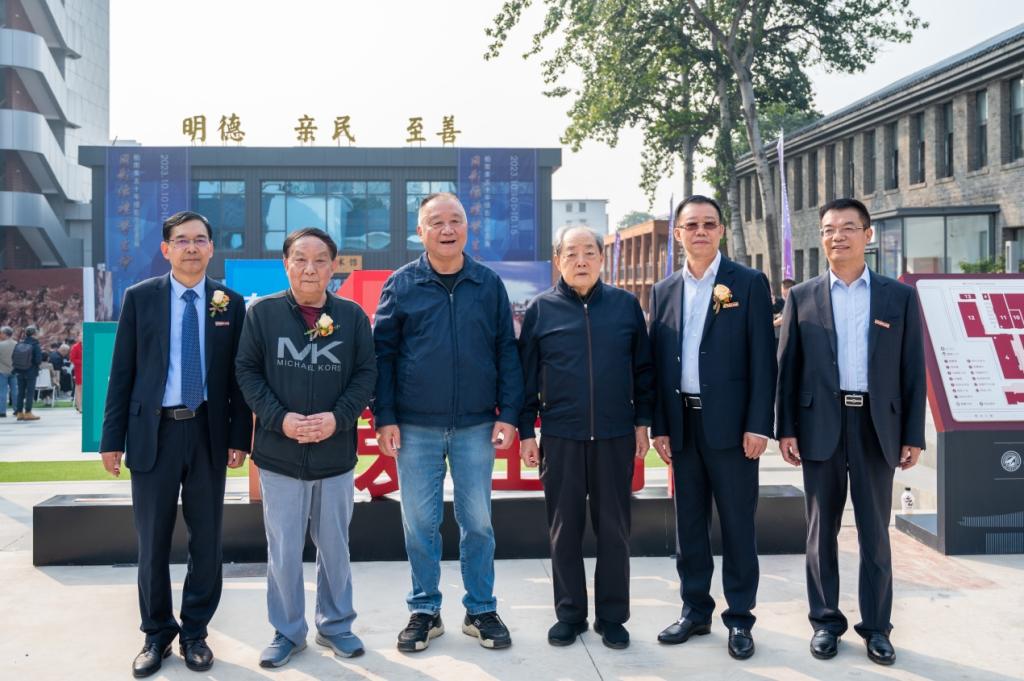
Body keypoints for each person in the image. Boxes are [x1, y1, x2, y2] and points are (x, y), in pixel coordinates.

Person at [99, 210, 252, 678]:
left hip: (208, 433)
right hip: (154, 433)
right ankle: (156, 633)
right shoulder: (140, 297)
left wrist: (238, 436)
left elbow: (238, 377)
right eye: (181, 240)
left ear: (211, 248)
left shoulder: (230, 303)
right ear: (166, 249)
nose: (191, 247)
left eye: (200, 239)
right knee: (152, 541)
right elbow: (122, 372)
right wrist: (111, 439)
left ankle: (195, 633)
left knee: (207, 539)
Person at [776, 198, 926, 666]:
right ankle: (825, 623)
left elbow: (912, 369)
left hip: (876, 426)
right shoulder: (802, 296)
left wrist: (913, 434)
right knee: (820, 530)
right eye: (828, 229)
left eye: (847, 227)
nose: (836, 236)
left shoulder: (897, 297)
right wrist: (786, 429)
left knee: (874, 532)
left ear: (868, 234)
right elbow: (788, 369)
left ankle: (877, 628)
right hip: (819, 423)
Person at [373, 192, 524, 653]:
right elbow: (383, 356)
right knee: (420, 523)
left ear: (466, 227)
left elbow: (506, 350)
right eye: (436, 222)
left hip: (476, 425)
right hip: (414, 427)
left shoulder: (487, 283)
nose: (447, 229)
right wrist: (385, 417)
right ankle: (425, 609)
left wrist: (510, 413)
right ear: (420, 231)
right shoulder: (402, 284)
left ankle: (481, 609)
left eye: (455, 220)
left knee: (477, 522)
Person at [235, 227, 377, 669]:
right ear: (286, 265)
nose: (309, 268)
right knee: (283, 550)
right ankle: (287, 631)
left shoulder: (352, 317)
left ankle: (336, 625)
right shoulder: (262, 314)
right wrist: (280, 419)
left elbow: (366, 374)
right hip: (279, 456)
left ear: (334, 267)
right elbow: (247, 372)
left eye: (320, 260)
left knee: (335, 548)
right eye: (300, 258)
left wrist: (338, 418)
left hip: (335, 457)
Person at [649, 195, 776, 660]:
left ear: (721, 230)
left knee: (738, 525)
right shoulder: (663, 291)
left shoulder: (748, 283)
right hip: (682, 424)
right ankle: (694, 610)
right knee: (689, 525)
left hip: (734, 429)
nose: (700, 231)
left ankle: (740, 618)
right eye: (691, 225)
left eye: (708, 224)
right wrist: (661, 425)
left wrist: (759, 425)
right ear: (678, 233)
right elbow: (658, 363)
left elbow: (764, 360)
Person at [518, 226, 654, 649]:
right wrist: (526, 432)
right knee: (565, 529)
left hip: (615, 434)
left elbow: (643, 370)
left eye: (589, 252)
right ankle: (570, 614)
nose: (581, 260)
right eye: (572, 253)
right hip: (561, 435)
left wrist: (642, 423)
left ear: (601, 258)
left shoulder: (625, 306)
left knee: (614, 530)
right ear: (558, 259)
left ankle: (612, 617)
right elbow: (525, 378)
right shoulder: (541, 310)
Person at [12, 325, 43, 421]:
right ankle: (28, 412)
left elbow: (13, 357)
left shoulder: (19, 344)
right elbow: (38, 360)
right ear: (35, 333)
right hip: (31, 371)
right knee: (30, 392)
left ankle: (19, 413)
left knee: (20, 392)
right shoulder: (35, 345)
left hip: (19, 370)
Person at [0, 326, 16, 417]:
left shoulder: (0, 345)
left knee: (2, 392)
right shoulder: (17, 344)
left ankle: (2, 411)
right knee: (15, 391)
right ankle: (17, 410)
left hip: (2, 371)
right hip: (15, 370)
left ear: (4, 334)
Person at [69, 335, 83, 413]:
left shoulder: (89, 345)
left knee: (83, 389)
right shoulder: (75, 347)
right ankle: (79, 406)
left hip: (87, 370)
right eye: (81, 336)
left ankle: (81, 406)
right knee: (79, 388)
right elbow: (72, 359)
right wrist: (82, 362)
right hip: (79, 370)